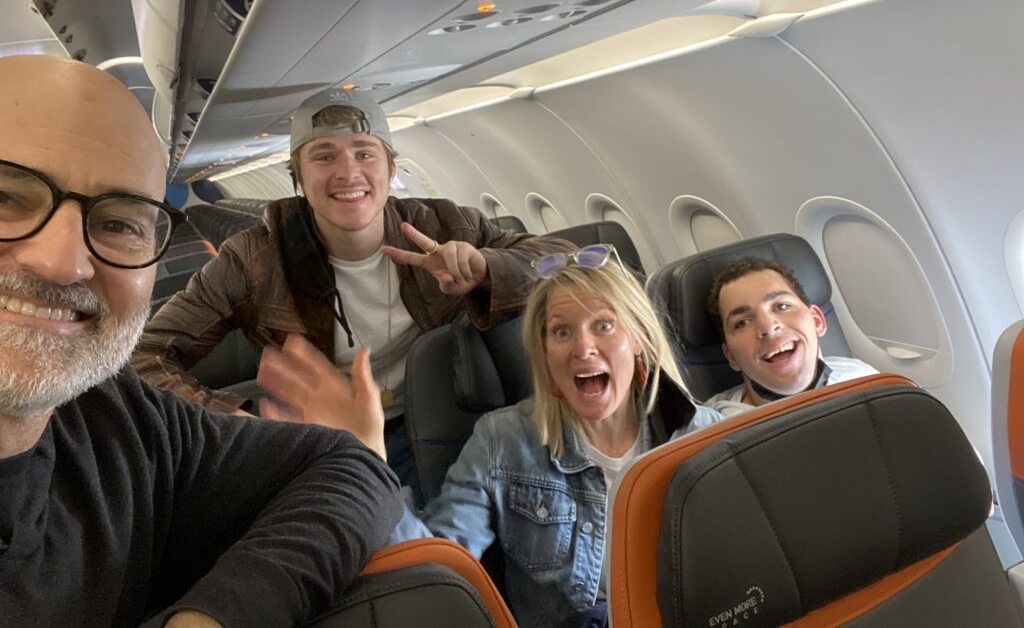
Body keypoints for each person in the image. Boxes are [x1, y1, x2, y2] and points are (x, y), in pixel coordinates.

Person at [0, 55, 402, 627]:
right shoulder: (252, 256)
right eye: (4, 198)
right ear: (295, 176)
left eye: (117, 222)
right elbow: (151, 352)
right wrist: (245, 412)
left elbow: (355, 467)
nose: (62, 262)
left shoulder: (117, 419)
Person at [131, 86, 571, 499]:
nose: (348, 172)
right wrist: (235, 420)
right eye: (324, 156)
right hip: (324, 443)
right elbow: (142, 357)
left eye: (365, 153)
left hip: (434, 419)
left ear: (391, 169)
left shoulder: (446, 224)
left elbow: (563, 258)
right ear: (298, 179)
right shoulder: (253, 259)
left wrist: (485, 268)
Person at [361, 244, 722, 628]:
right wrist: (368, 454)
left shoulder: (702, 434)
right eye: (561, 331)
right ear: (545, 354)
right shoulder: (503, 441)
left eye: (603, 325)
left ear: (637, 339)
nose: (583, 348)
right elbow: (438, 567)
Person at [704, 256, 878, 417]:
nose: (768, 327)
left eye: (781, 306)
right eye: (742, 322)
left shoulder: (866, 380)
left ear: (817, 321)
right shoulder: (710, 432)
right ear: (731, 356)